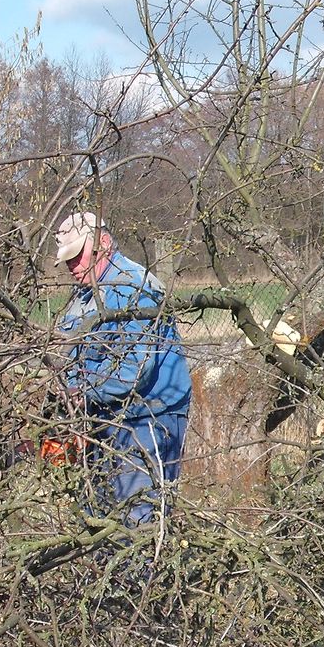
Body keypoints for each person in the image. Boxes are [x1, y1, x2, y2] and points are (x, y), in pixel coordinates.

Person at [48, 211, 191, 524]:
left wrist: (81, 393)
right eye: (67, 261)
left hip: (148, 417)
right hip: (104, 416)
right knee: (97, 516)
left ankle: (139, 573)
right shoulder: (84, 296)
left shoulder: (133, 289)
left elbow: (133, 371)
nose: (73, 267)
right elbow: (70, 357)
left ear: (103, 243)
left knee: (138, 519)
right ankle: (104, 574)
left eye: (77, 256)